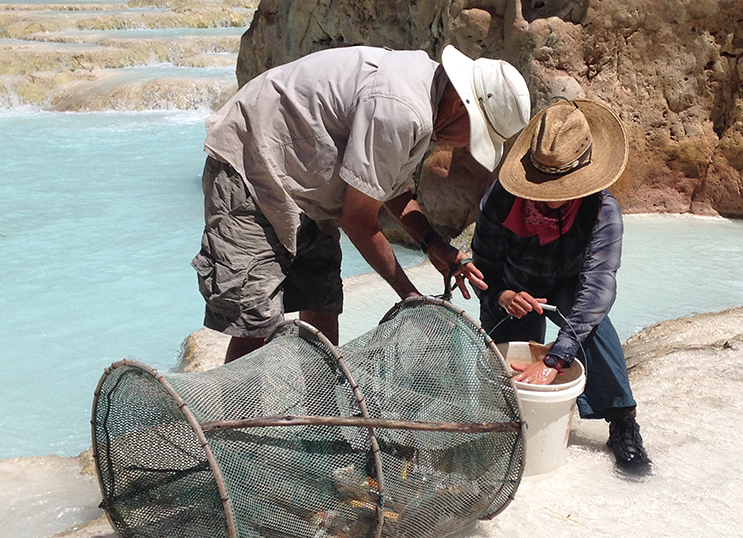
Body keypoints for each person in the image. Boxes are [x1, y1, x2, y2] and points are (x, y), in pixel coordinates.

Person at [191, 45, 531, 361]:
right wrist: (410, 295)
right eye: (473, 135)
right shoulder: (402, 111)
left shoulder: (427, 97)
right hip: (252, 163)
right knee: (256, 318)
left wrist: (433, 244)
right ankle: (234, 421)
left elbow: (386, 187)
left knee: (322, 298)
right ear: (460, 105)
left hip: (305, 178)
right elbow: (357, 220)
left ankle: (321, 409)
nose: (465, 147)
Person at [471, 99, 651, 466]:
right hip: (515, 287)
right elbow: (483, 266)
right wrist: (503, 296)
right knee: (503, 368)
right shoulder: (502, 200)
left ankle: (622, 421)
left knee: (589, 326)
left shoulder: (603, 211)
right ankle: (508, 428)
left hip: (571, 286)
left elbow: (598, 288)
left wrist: (555, 359)